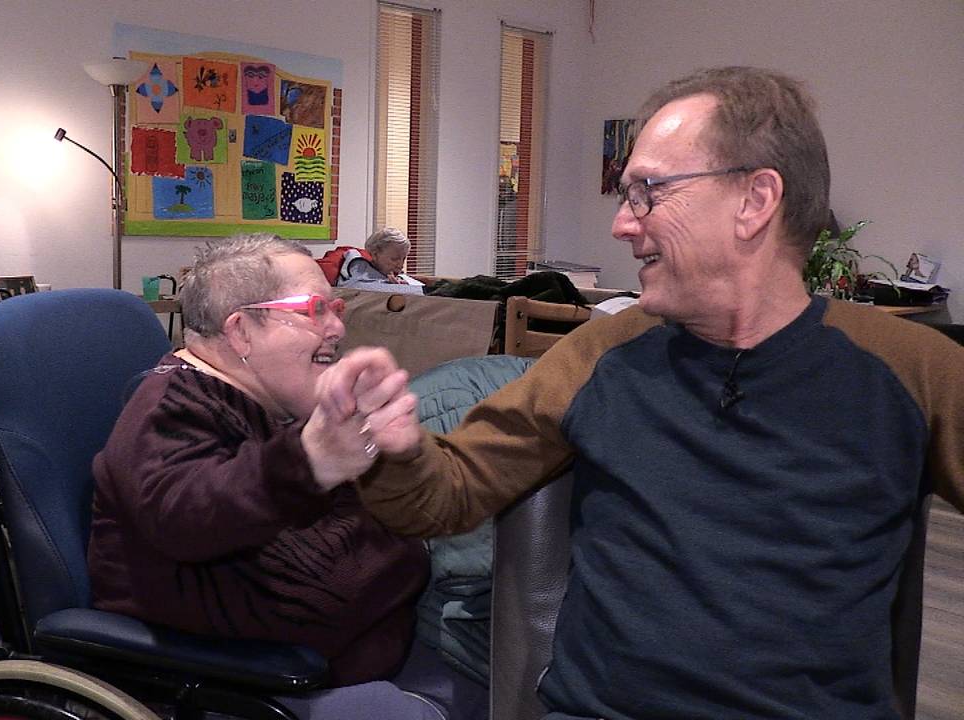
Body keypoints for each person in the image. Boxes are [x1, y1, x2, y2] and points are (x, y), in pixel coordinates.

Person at [316, 67, 964, 719]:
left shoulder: (912, 370)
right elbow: (448, 491)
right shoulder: (605, 354)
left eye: (648, 192)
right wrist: (390, 445)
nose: (622, 224)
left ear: (755, 200)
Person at [86, 233, 484, 718]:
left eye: (335, 307)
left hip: (374, 649)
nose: (338, 327)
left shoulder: (274, 405)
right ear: (242, 331)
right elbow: (187, 514)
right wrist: (312, 458)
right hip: (248, 688)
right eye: (316, 309)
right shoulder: (166, 410)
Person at [334, 228, 425, 293]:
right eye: (394, 259)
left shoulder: (396, 276)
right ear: (375, 254)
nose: (401, 265)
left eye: (404, 258)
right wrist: (395, 288)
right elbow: (349, 290)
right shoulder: (359, 270)